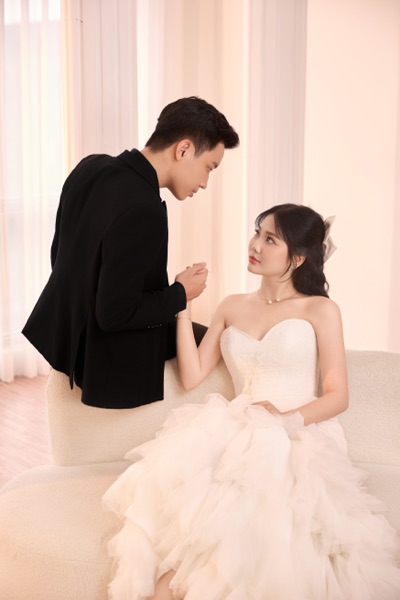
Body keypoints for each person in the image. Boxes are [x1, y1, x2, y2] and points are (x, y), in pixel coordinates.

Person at [102, 203, 400, 599]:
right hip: (238, 426)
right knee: (196, 525)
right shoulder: (232, 305)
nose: (255, 244)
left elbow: (337, 395)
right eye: (257, 232)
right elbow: (192, 375)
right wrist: (181, 307)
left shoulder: (321, 309)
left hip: (300, 433)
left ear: (297, 258)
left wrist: (286, 419)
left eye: (270, 239)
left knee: (256, 513)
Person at [22, 96, 239, 409]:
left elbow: (60, 256)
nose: (205, 183)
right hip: (103, 356)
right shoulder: (144, 209)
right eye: (209, 167)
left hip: (68, 335)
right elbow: (115, 314)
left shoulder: (89, 167)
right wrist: (181, 292)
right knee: (227, 343)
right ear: (183, 149)